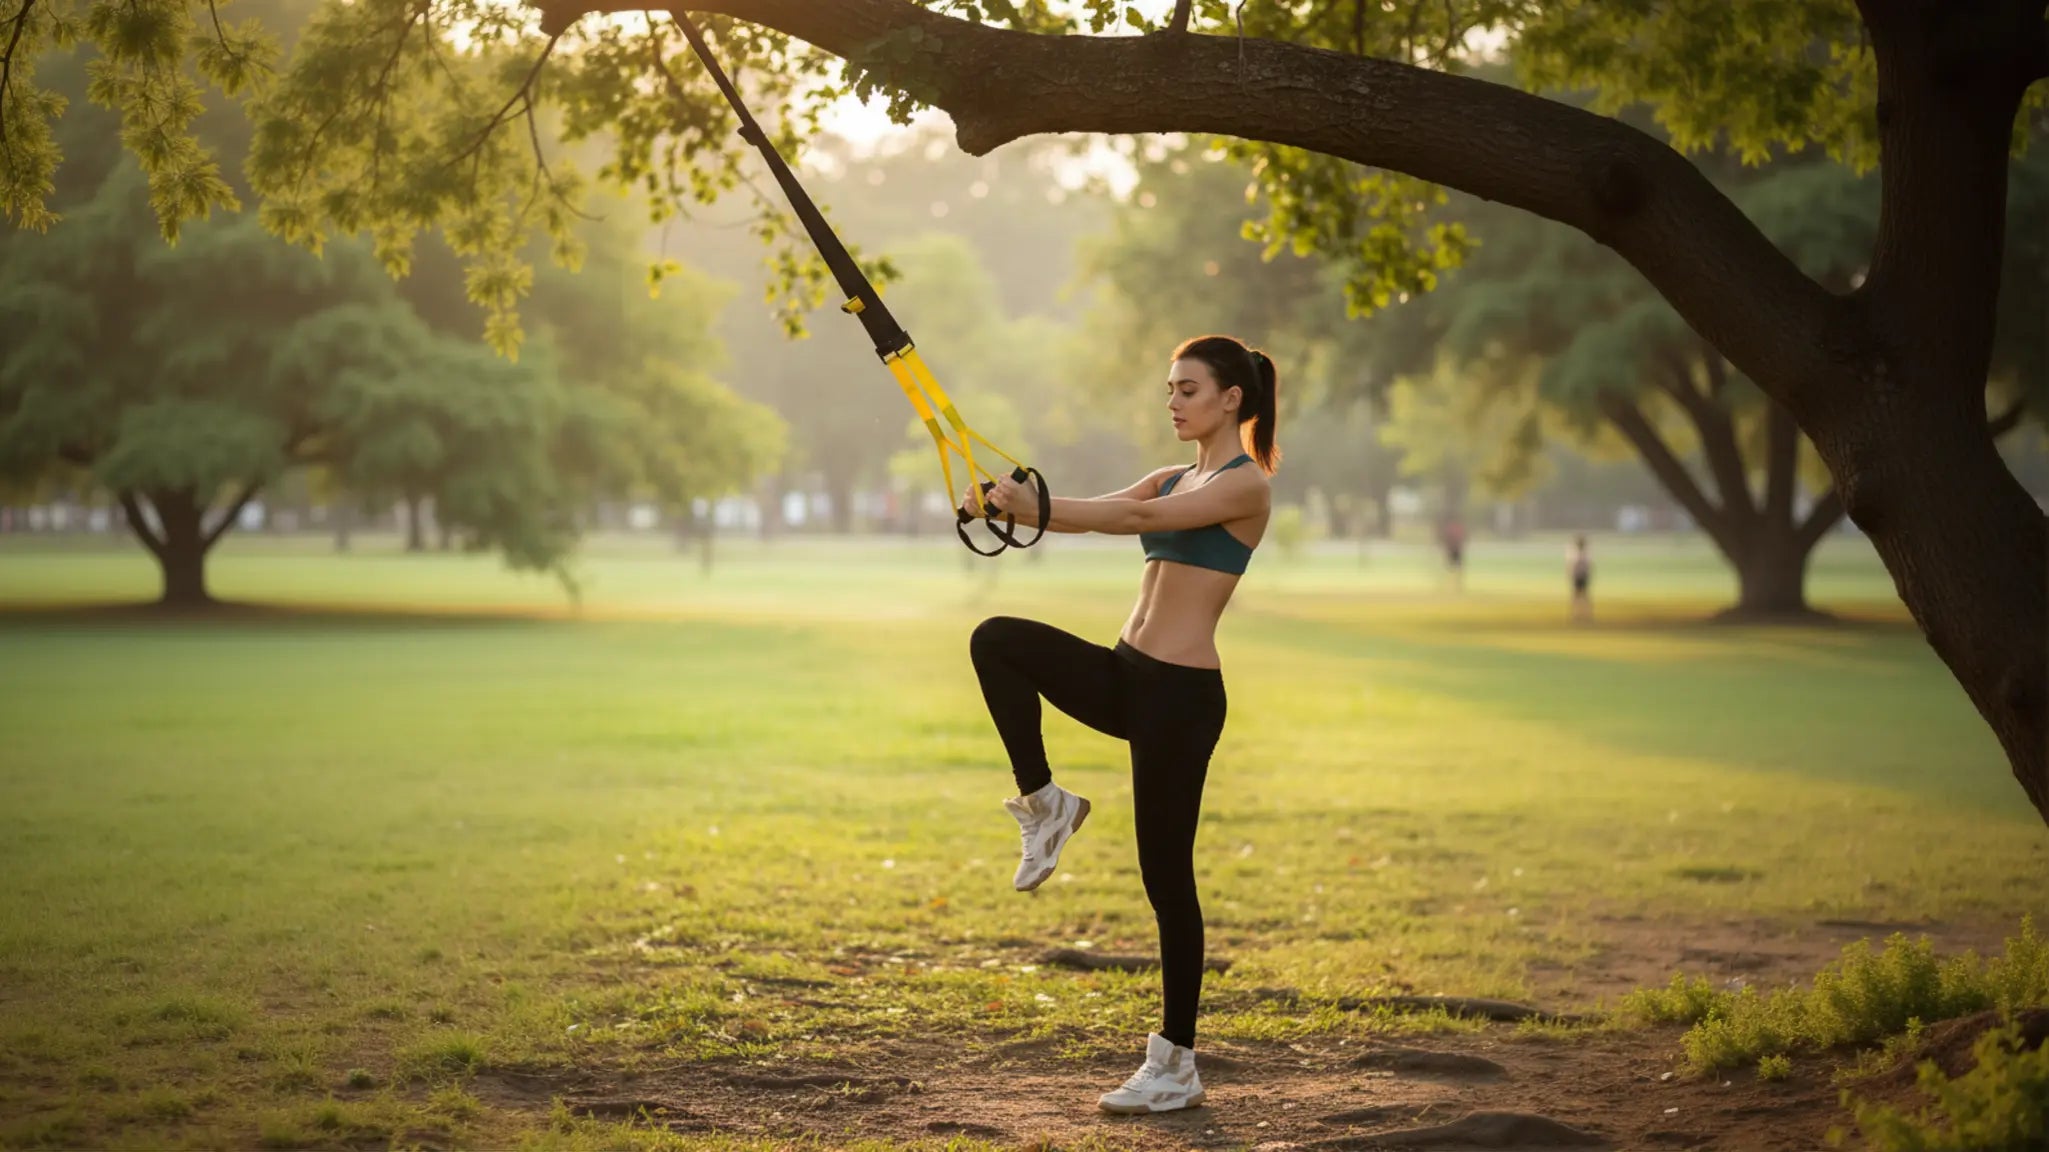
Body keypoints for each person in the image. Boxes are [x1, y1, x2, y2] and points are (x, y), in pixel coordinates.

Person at [962, 334, 1279, 1115]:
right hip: (1126, 673)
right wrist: (1003, 504)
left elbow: (1137, 516)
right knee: (996, 639)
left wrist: (1030, 503)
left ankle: (1174, 1061)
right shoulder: (1176, 472)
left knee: (1165, 879)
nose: (1172, 401)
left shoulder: (1247, 486)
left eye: (1188, 389)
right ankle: (1046, 805)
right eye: (1169, 388)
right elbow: (1096, 512)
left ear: (1231, 398)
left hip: (1179, 697)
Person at [1569, 533, 1593, 623]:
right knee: (1582, 596)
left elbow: (1572, 566)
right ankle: (1582, 614)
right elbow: (1589, 566)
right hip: (1582, 576)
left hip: (1578, 576)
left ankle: (1577, 614)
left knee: (1578, 596)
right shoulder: (1585, 553)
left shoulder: (1576, 553)